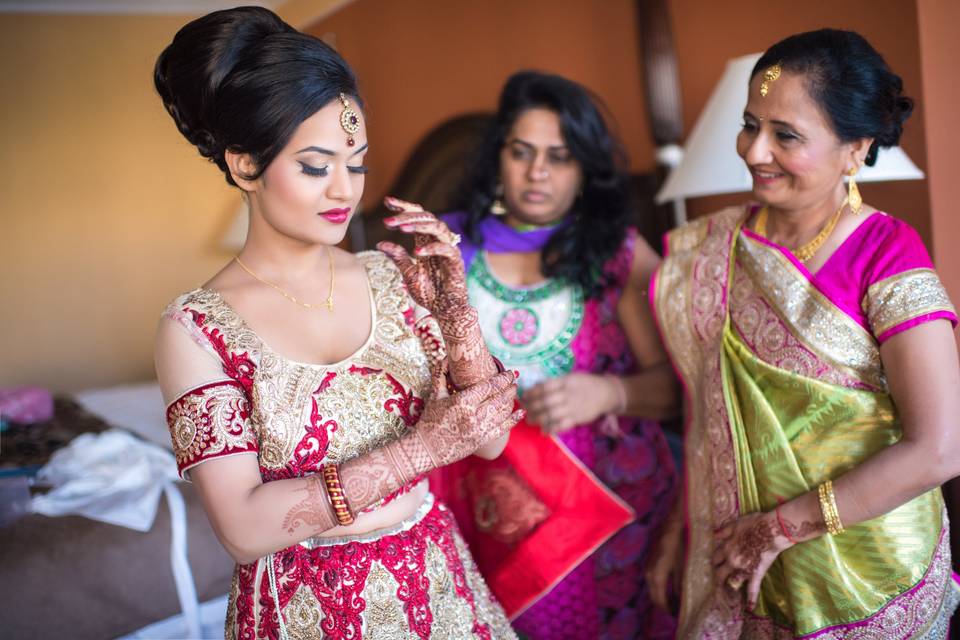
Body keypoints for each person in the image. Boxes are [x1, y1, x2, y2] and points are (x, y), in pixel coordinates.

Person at [152, 7, 523, 638]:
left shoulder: (388, 274)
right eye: (316, 166)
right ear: (246, 165)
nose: (345, 192)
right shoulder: (194, 329)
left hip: (436, 587)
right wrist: (424, 449)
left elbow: (489, 441)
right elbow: (243, 531)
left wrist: (458, 315)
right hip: (303, 611)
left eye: (356, 163)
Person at [647, 28, 960, 638]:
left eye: (784, 135)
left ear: (855, 148)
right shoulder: (715, 249)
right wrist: (678, 533)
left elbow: (939, 447)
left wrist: (779, 528)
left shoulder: (887, 253)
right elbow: (713, 420)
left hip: (868, 576)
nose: (754, 151)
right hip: (736, 565)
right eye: (749, 123)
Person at [436, 71, 680, 639]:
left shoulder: (615, 253)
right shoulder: (443, 249)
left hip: (604, 515)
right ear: (498, 157)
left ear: (584, 170)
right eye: (521, 152)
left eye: (560, 156)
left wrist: (607, 392)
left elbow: (679, 390)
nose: (537, 171)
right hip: (482, 509)